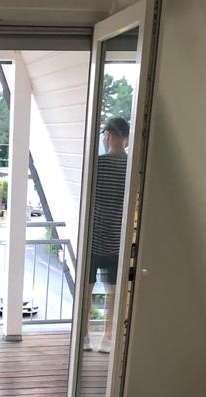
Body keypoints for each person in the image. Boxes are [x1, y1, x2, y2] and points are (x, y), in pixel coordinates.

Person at [83, 116, 130, 354]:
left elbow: (88, 198)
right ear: (126, 137)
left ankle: (85, 337)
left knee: (87, 289)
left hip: (93, 238)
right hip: (118, 240)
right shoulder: (131, 166)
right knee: (114, 291)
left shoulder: (98, 164)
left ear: (108, 135)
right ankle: (108, 338)